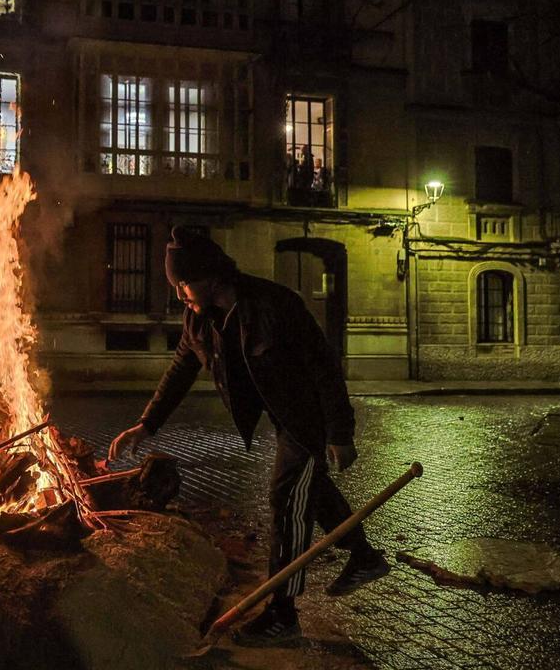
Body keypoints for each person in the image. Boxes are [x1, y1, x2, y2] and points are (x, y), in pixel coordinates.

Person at [108, 226, 389, 644]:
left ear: (210, 276)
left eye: (184, 284)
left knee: (286, 500)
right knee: (312, 491)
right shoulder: (198, 319)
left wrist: (340, 433)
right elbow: (181, 370)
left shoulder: (275, 305)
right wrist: (147, 424)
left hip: (305, 416)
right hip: (280, 415)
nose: (180, 294)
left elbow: (325, 368)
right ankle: (364, 556)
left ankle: (283, 615)